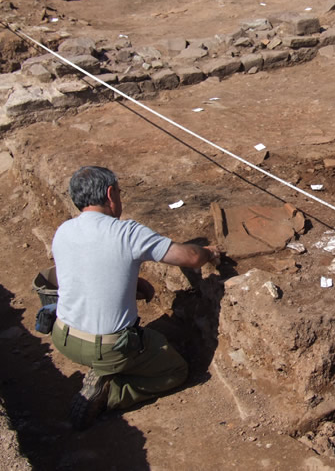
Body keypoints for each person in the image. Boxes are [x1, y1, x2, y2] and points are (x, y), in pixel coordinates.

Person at [51, 166, 221, 429]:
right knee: (175, 370)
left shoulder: (63, 231)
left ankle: (107, 368)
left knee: (149, 339)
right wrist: (209, 253)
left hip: (64, 336)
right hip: (106, 347)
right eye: (119, 192)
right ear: (110, 194)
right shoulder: (126, 233)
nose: (120, 197)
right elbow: (191, 258)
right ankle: (110, 392)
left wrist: (133, 282)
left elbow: (86, 274)